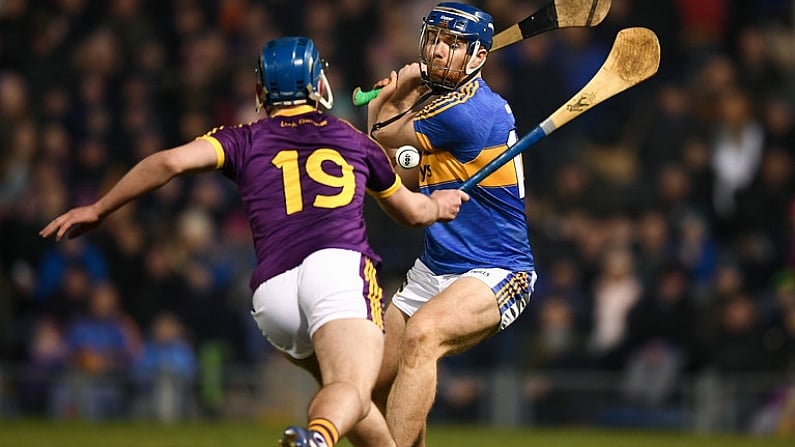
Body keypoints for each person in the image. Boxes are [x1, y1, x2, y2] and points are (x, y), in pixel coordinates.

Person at [40, 36, 468, 447]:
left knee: (346, 397)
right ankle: (315, 440)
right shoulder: (352, 139)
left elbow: (169, 161)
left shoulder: (242, 138)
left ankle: (319, 434)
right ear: (318, 84)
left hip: (272, 294)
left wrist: (99, 208)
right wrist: (441, 203)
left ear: (262, 90)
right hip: (336, 272)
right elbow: (412, 212)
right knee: (350, 390)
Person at [366, 3, 536, 446]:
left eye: (454, 45)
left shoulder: (469, 112)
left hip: (497, 269)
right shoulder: (438, 100)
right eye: (437, 39)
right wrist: (403, 95)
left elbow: (379, 135)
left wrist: (398, 87)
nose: (439, 51)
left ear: (479, 58)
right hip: (434, 268)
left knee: (423, 336)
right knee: (376, 381)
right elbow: (390, 163)